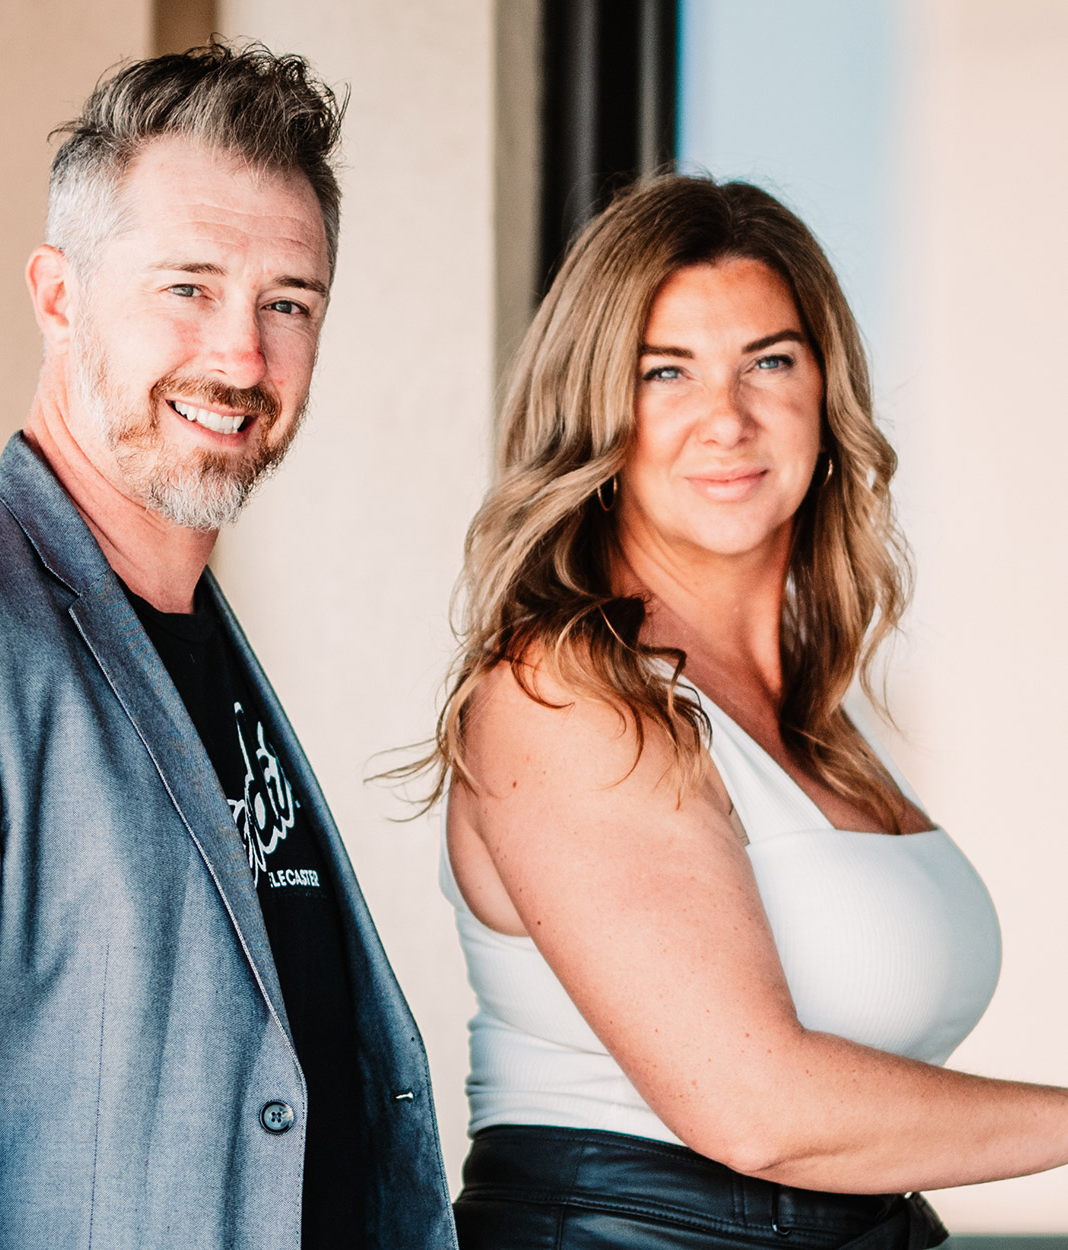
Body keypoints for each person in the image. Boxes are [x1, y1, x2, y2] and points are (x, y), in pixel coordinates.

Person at [0, 43, 456, 1250]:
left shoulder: (204, 643)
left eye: (288, 302)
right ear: (58, 295)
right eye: (189, 287)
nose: (242, 357)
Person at [433, 175, 1068, 1248]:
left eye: (767, 360)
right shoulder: (564, 694)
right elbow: (755, 1109)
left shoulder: (809, 718)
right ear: (598, 412)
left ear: (824, 392)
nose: (725, 417)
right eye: (663, 371)